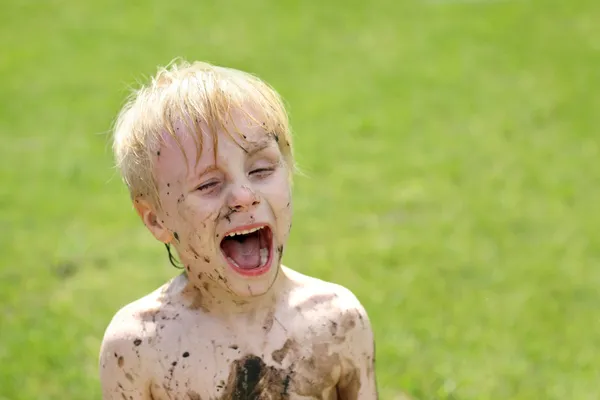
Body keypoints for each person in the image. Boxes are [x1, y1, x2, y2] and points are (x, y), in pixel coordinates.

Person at [99, 59, 378, 399]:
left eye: (261, 169)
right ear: (157, 219)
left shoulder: (335, 322)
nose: (244, 197)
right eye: (208, 185)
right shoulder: (139, 347)